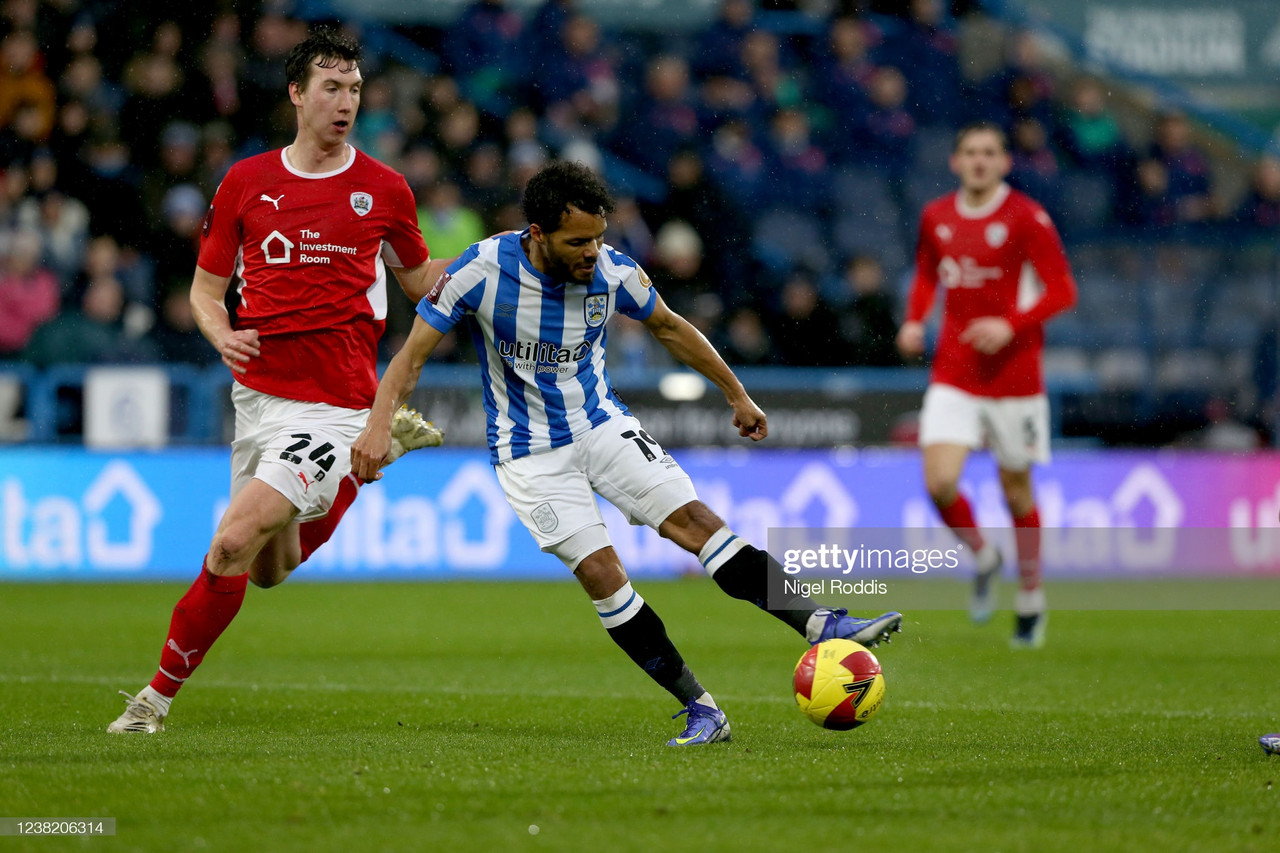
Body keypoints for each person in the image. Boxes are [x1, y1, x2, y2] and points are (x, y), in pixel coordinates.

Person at [349, 161, 903, 746]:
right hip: (528, 453)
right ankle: (703, 710)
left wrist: (736, 394)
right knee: (603, 576)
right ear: (537, 233)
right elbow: (410, 358)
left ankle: (821, 623)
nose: (593, 250)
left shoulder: (614, 272)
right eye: (578, 241)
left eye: (598, 236)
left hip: (601, 426)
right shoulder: (480, 271)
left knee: (697, 525)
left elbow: (670, 327)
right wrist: (378, 427)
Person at [108, 28, 451, 734]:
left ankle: (152, 702)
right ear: (297, 93)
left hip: (335, 404)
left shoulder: (384, 190)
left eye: (355, 88)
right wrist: (218, 331)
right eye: (331, 87)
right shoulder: (247, 181)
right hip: (259, 399)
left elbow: (421, 282)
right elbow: (206, 291)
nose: (345, 101)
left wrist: (489, 267)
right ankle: (370, 461)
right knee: (265, 569)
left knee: (231, 541)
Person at [896, 121, 1077, 649]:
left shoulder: (1026, 217)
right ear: (955, 162)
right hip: (955, 371)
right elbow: (928, 271)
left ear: (1004, 162)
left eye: (989, 152)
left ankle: (1030, 595)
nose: (979, 160)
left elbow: (1063, 289)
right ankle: (982, 555)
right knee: (939, 482)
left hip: (1016, 376)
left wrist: (1010, 324)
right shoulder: (937, 215)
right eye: (970, 152)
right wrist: (915, 318)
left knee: (1015, 490)